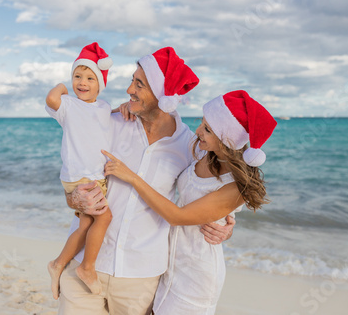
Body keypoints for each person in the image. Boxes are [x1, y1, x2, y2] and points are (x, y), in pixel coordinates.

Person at [57, 47, 238, 315]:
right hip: (86, 264)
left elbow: (207, 189)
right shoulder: (110, 122)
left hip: (141, 277)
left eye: (139, 84)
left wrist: (227, 223)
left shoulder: (189, 144)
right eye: (132, 80)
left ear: (163, 96)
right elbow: (74, 170)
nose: (129, 89)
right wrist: (73, 198)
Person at [103, 90, 277, 314]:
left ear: (228, 141)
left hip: (197, 274)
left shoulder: (234, 188)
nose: (198, 131)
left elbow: (178, 217)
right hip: (169, 263)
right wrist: (128, 108)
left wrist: (132, 177)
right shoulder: (203, 153)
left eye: (207, 129)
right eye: (202, 124)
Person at [45, 42, 114, 299]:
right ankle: (87, 268)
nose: (82, 83)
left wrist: (125, 109)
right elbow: (52, 99)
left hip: (94, 176)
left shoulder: (103, 107)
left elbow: (109, 117)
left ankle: (57, 264)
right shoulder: (69, 106)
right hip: (80, 176)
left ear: (100, 84)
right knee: (104, 218)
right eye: (77, 76)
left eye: (89, 77)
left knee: (86, 224)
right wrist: (63, 87)